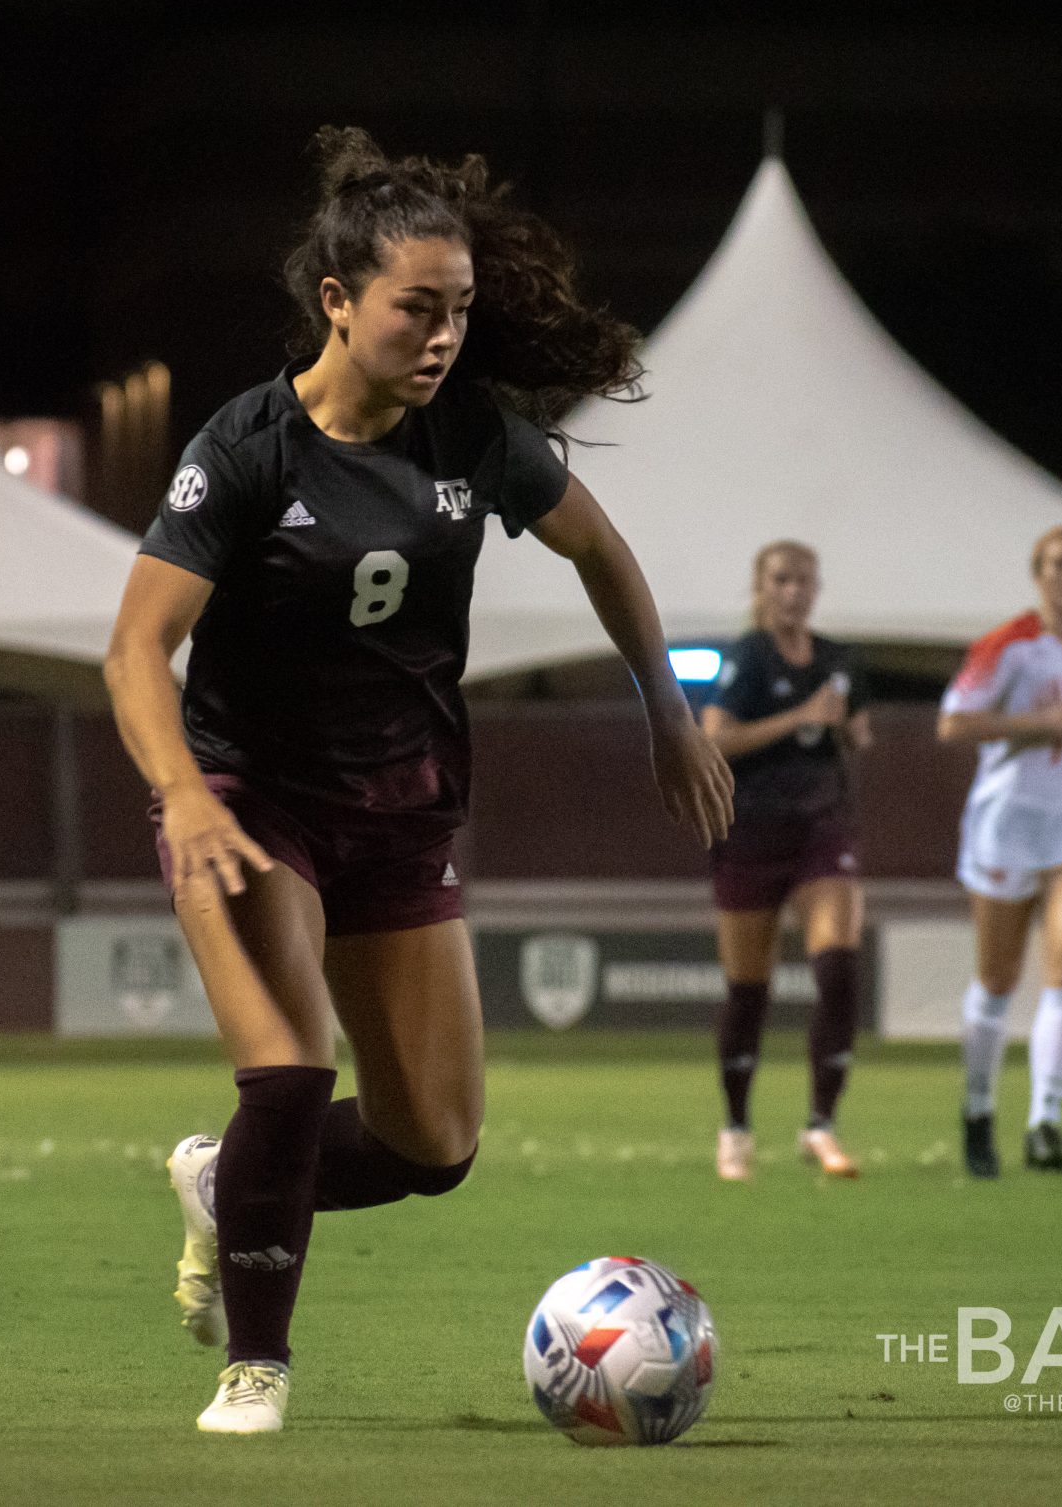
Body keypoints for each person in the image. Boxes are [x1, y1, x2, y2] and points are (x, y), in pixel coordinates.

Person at [102, 128, 734, 1436]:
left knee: (432, 1144)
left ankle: (228, 1183)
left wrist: (665, 709)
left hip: (400, 815)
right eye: (416, 309)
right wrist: (185, 791)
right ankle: (255, 1365)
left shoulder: (474, 440)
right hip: (249, 803)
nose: (444, 335)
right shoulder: (248, 450)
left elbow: (601, 550)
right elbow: (133, 647)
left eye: (458, 312)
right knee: (286, 1065)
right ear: (339, 302)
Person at [936, 526, 1062, 1179]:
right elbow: (952, 724)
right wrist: (1041, 724)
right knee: (998, 978)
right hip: (1011, 817)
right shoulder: (1007, 646)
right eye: (1060, 564)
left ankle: (1046, 1120)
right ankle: (977, 1109)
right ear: (1039, 573)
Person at [697, 540, 872, 1181]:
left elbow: (855, 726)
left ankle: (821, 1125)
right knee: (749, 990)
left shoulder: (837, 659)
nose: (793, 591)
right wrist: (799, 715)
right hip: (750, 834)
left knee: (840, 964)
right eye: (781, 580)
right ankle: (736, 1128)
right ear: (762, 586)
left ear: (817, 587)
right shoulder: (747, 656)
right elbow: (715, 738)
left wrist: (851, 730)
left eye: (803, 580)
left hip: (820, 831)